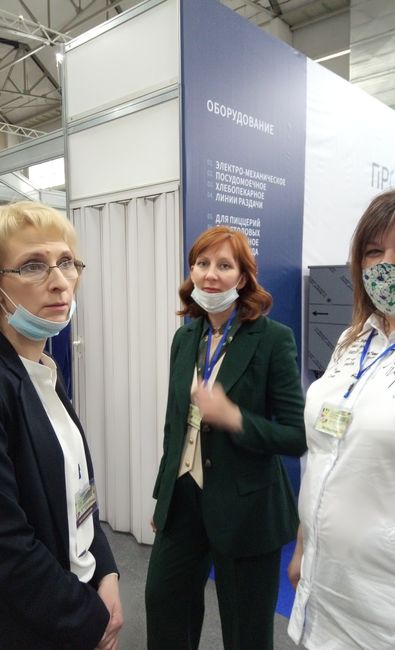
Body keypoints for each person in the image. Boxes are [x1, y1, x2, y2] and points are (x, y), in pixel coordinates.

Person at [0, 201, 123, 650]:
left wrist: (105, 571)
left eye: (66, 262)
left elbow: (78, 490)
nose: (60, 280)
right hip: (25, 626)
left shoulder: (41, 370)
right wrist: (92, 620)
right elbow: (0, 544)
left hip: (71, 597)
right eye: (33, 266)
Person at [288, 186, 395, 649]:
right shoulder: (353, 340)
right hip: (327, 590)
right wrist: (304, 543)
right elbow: (325, 452)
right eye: (373, 252)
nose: (387, 264)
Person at [145, 225, 306, 650]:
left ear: (243, 277)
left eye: (224, 265)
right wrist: (163, 496)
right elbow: (174, 424)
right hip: (183, 498)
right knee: (163, 605)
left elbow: (296, 436)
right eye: (202, 263)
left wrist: (234, 418)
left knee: (245, 630)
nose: (210, 274)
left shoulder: (273, 339)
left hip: (245, 505)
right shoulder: (186, 337)